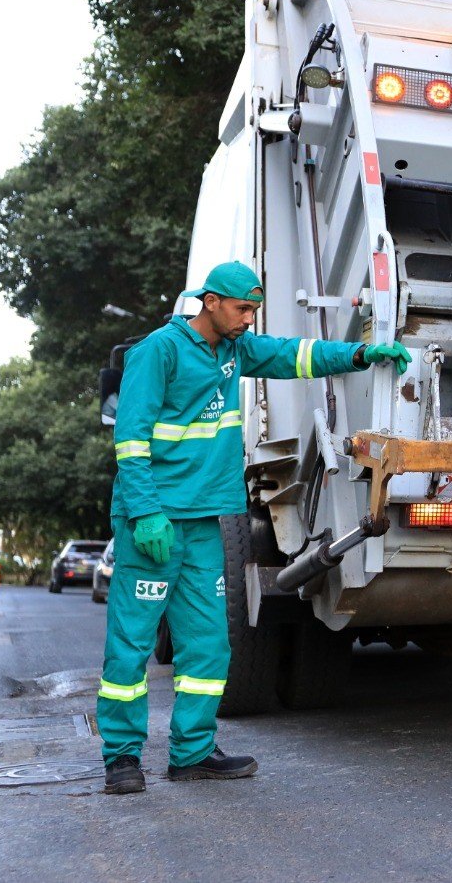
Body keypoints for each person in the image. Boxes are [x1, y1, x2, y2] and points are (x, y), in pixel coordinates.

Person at [100, 261, 411, 794]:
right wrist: (146, 511)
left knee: (208, 645)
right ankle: (122, 759)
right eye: (242, 309)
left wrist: (359, 354)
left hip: (202, 524)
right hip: (152, 522)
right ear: (211, 302)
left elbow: (295, 356)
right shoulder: (159, 351)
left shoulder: (235, 349)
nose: (249, 320)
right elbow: (130, 440)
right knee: (130, 643)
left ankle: (192, 752)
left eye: (253, 310)